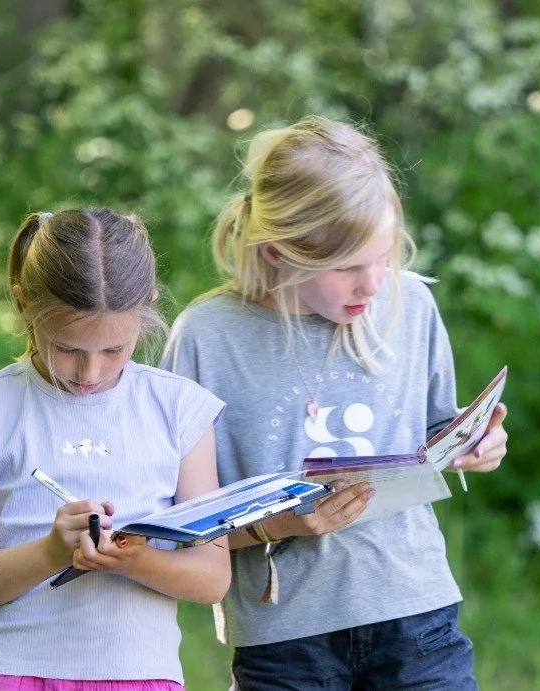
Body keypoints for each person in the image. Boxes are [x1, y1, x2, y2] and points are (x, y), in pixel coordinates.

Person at [161, 117, 509, 690]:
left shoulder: (411, 305)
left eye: (384, 255)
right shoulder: (207, 337)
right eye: (347, 267)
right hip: (283, 636)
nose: (372, 284)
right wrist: (274, 525)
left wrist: (478, 443)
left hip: (415, 611)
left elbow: (440, 429)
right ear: (276, 252)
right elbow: (183, 518)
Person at [0, 208, 230, 689]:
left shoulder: (180, 410)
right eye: (67, 348)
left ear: (147, 306)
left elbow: (212, 577)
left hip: (140, 675)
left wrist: (134, 558)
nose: (90, 374)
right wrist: (51, 551)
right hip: (15, 673)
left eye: (113, 350)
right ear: (25, 304)